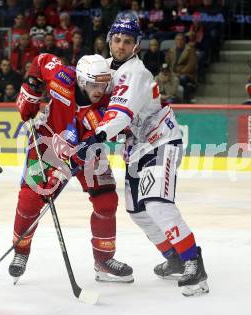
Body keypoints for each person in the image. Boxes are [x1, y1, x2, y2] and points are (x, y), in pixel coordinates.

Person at [74, 18, 209, 297]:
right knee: (138, 211)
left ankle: (193, 264)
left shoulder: (135, 73)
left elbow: (120, 113)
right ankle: (174, 258)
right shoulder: (105, 67)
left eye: (127, 41)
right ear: (110, 40)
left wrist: (97, 136)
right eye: (117, 40)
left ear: (136, 46)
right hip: (137, 147)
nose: (121, 46)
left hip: (160, 141)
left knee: (157, 203)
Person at [9, 53, 133, 283]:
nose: (101, 90)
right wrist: (32, 87)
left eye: (104, 84)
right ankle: (21, 251)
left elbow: (93, 143)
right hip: (47, 143)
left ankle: (103, 260)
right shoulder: (61, 77)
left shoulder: (106, 106)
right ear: (82, 81)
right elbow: (41, 59)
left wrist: (65, 169)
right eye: (95, 84)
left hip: (86, 151)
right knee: (29, 200)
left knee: (106, 201)